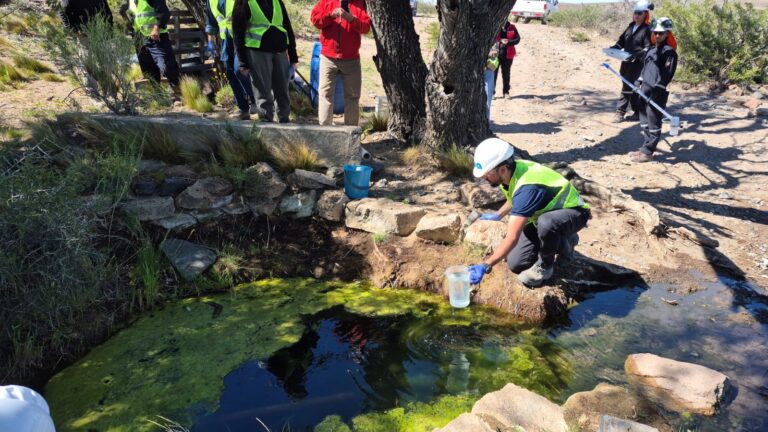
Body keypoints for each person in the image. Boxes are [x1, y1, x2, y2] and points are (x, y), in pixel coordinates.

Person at [467, 138, 591, 287]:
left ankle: (546, 265)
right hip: (541, 218)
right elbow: (515, 197)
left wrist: (486, 265)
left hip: (574, 213)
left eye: (486, 174)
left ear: (502, 169)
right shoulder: (509, 174)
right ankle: (559, 241)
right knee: (516, 263)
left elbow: (512, 237)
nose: (483, 178)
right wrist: (499, 215)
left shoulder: (528, 187)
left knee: (547, 223)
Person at [233, 0, 299, 123]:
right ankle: (265, 121)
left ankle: (284, 119)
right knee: (263, 92)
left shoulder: (277, 2)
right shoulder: (244, 2)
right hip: (258, 53)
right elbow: (237, 32)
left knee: (282, 90)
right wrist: (243, 62)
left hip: (280, 51)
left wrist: (293, 57)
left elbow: (287, 27)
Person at [310, 0, 371, 126]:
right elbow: (315, 20)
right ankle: (325, 132)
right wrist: (330, 15)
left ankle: (351, 134)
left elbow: (366, 27)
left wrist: (351, 19)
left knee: (353, 97)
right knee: (325, 94)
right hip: (328, 57)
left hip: (351, 59)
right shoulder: (326, 1)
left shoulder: (359, 3)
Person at [630, 17, 677, 163]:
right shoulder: (651, 50)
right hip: (644, 91)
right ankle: (645, 147)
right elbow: (645, 69)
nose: (657, 35)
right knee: (644, 121)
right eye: (655, 33)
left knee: (653, 122)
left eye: (661, 33)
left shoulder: (669, 53)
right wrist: (639, 80)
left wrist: (658, 89)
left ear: (667, 34)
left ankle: (648, 152)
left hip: (657, 93)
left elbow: (667, 74)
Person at [206, 0, 256, 120]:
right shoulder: (211, 1)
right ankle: (243, 110)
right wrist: (210, 42)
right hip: (226, 40)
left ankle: (256, 101)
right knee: (230, 73)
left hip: (242, 38)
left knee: (239, 70)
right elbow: (211, 23)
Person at [610, 1, 652, 123]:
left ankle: (620, 112)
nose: (636, 15)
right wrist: (614, 48)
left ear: (645, 14)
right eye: (635, 13)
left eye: (639, 13)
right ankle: (638, 112)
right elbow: (621, 41)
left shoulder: (647, 29)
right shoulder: (630, 26)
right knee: (631, 86)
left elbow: (648, 48)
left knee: (627, 85)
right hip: (625, 61)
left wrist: (637, 55)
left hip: (638, 63)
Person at [122, 0, 180, 88]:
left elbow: (164, 12)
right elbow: (134, 18)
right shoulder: (131, 1)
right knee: (148, 69)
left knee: (167, 66)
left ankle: (178, 93)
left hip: (156, 36)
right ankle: (158, 95)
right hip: (139, 38)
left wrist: (156, 27)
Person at [494, 20, 520, 100]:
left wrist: (509, 42)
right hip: (495, 54)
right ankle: (492, 93)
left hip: (508, 55)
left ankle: (506, 92)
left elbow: (518, 39)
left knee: (506, 74)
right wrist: (500, 41)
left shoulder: (512, 27)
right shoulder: (494, 24)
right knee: (493, 74)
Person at [485, 47, 500, 121]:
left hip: (488, 70)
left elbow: (496, 52)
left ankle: (486, 121)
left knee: (487, 98)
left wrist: (488, 55)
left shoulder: (490, 38)